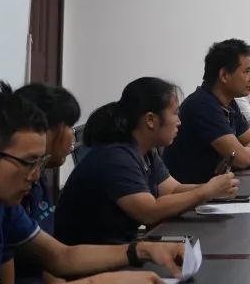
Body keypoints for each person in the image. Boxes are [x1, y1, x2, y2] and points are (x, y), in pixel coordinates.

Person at [0, 83, 183, 284]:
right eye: (28, 163)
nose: (35, 176)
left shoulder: (0, 203)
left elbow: (61, 257)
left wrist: (142, 250)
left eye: (40, 162)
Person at [55, 77, 240, 245]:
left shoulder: (146, 151)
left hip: (119, 249)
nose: (179, 121)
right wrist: (206, 191)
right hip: (90, 261)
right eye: (175, 113)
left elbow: (172, 189)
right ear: (151, 120)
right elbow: (149, 212)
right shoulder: (116, 157)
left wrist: (216, 188)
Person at [163, 39, 250, 184]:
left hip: (215, 188)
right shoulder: (203, 105)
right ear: (224, 75)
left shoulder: (229, 102)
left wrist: (237, 156)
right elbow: (243, 158)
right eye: (247, 71)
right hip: (191, 192)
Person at [11, 84, 81, 284]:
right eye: (69, 126)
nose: (72, 135)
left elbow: (52, 260)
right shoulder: (8, 195)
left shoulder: (37, 178)